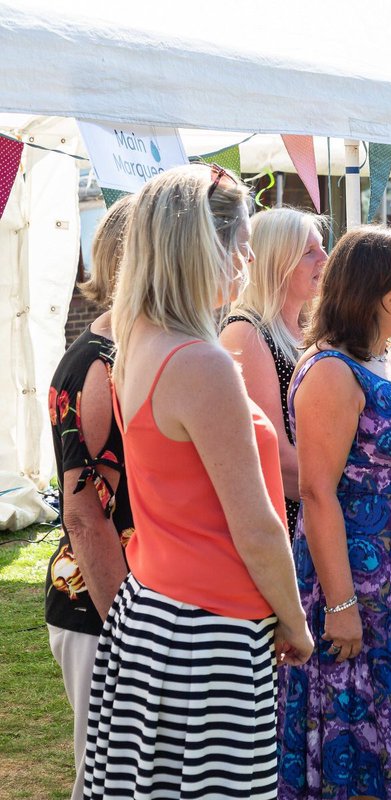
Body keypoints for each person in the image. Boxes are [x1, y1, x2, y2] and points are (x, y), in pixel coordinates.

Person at [85, 164, 313, 798]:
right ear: (200, 248)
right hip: (207, 632)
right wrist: (295, 623)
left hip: (157, 611)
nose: (246, 260)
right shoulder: (200, 360)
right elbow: (257, 524)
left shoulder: (139, 339)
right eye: (240, 244)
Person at [277, 226, 391, 800]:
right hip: (361, 575)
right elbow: (316, 493)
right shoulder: (332, 371)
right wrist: (340, 605)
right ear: (375, 288)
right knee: (356, 725)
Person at [44, 196, 134, 800]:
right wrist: (126, 625)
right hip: (99, 606)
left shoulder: (129, 350)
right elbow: (84, 512)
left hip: (120, 600)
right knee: (104, 782)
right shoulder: (98, 363)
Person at [220, 207, 327, 537]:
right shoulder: (246, 333)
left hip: (319, 505)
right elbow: (275, 453)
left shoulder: (310, 329)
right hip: (291, 517)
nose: (325, 257)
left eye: (322, 246)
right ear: (276, 263)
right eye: (309, 252)